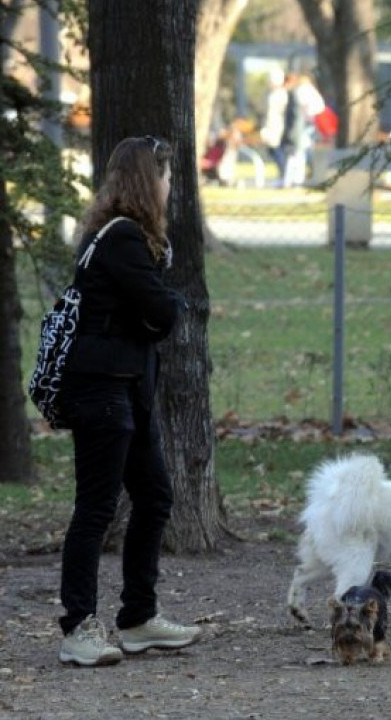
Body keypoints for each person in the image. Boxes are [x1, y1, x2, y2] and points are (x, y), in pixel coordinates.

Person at [55, 135, 200, 667]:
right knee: (94, 509)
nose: (169, 187)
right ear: (147, 181)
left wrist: (160, 305)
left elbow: (148, 313)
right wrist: (170, 303)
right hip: (101, 390)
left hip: (127, 389)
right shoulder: (121, 241)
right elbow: (160, 314)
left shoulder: (119, 237)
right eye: (165, 177)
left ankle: (138, 619)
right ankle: (77, 629)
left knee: (155, 496)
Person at [259, 67, 290, 184]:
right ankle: (282, 174)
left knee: (276, 150)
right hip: (269, 125)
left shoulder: (282, 94)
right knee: (271, 150)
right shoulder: (269, 94)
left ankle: (284, 174)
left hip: (277, 126)